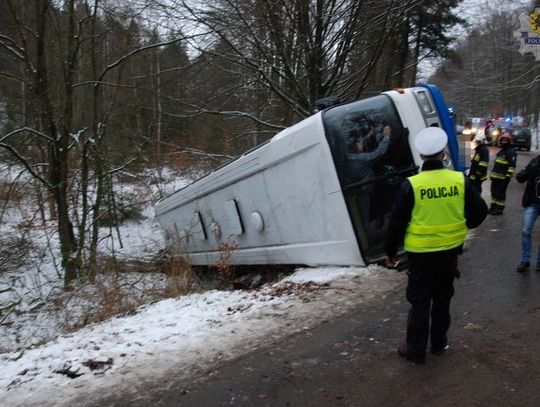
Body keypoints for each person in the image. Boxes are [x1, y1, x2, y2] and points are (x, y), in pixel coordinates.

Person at [384, 127, 488, 365]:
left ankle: (416, 351)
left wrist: (390, 252)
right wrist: (464, 224)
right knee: (442, 300)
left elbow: (396, 224)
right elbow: (480, 211)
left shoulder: (411, 185)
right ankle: (439, 344)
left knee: (420, 301)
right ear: (443, 154)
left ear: (421, 156)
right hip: (449, 253)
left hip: (420, 256)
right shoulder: (458, 180)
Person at [515, 154, 540, 273]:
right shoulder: (534, 162)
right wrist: (524, 173)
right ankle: (526, 260)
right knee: (526, 231)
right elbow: (520, 177)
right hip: (532, 203)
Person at [488, 132, 516, 215]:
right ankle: (493, 207)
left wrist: (507, 177)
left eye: (505, 140)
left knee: (500, 194)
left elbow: (512, 166)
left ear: (509, 141)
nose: (504, 141)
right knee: (494, 192)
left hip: (503, 178)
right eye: (502, 139)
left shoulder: (511, 152)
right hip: (495, 177)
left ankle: (499, 209)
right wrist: (492, 175)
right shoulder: (502, 151)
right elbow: (497, 164)